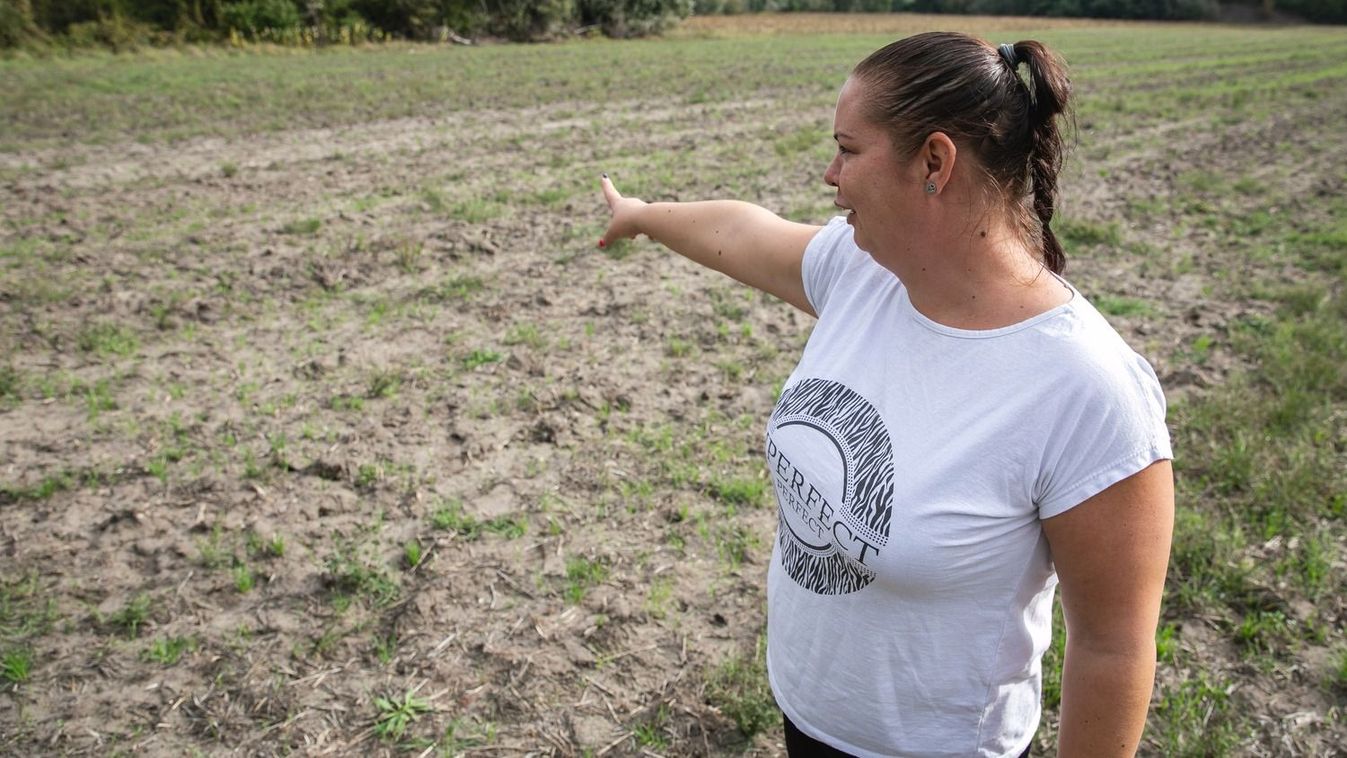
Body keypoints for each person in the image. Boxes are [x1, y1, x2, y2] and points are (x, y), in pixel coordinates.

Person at [597, 32, 1173, 758]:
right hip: (808, 719)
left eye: (848, 149)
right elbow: (742, 232)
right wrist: (644, 214)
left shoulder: (1085, 390)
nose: (829, 175)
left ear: (933, 162)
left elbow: (1112, 648)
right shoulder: (862, 272)